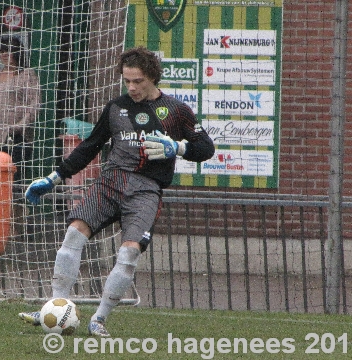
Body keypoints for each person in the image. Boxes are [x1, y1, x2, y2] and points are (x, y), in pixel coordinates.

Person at [18, 47, 215, 336]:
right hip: (111, 182)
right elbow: (90, 146)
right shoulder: (115, 108)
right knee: (74, 232)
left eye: (138, 81)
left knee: (129, 253)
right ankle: (54, 307)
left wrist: (179, 147)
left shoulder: (176, 110)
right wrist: (54, 177)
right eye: (127, 81)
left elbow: (206, 148)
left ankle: (98, 319)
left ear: (152, 78)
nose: (132, 87)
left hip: (146, 190)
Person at [0, 35, 41, 184]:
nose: (5, 54)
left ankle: (16, 208)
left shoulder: (26, 75)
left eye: (9, 50)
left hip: (15, 139)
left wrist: (18, 126)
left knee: (11, 183)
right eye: (2, 50)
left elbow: (35, 105)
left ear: (17, 52)